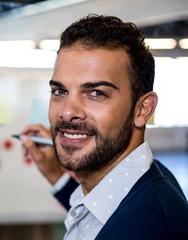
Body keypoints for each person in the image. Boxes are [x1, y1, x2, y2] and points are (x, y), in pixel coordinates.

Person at [19, 14, 188, 240]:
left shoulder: (144, 228)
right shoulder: (152, 176)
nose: (68, 112)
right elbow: (100, 212)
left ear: (143, 109)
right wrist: (56, 176)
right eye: (60, 91)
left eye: (96, 93)